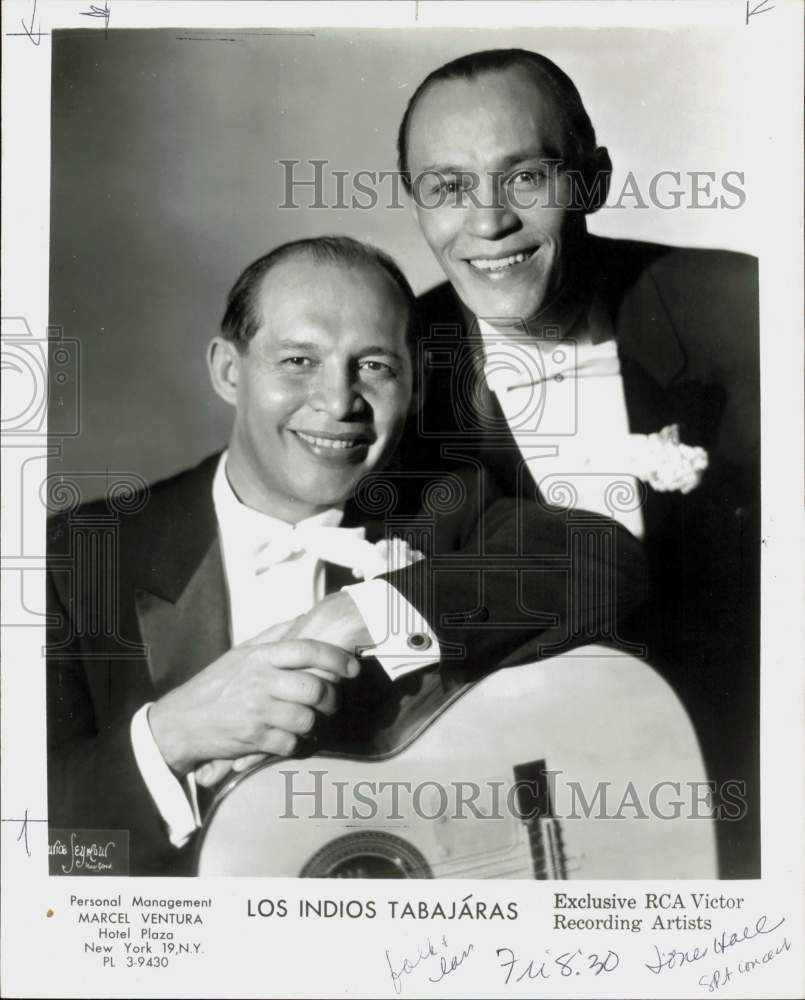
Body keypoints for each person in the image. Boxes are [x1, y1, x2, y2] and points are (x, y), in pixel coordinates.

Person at [46, 236, 648, 875]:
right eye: (300, 360)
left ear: (414, 389)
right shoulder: (75, 559)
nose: (338, 402)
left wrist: (367, 611)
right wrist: (172, 737)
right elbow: (29, 843)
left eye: (375, 367)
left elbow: (605, 561)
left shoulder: (448, 509)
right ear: (229, 370)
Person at [391, 48, 760, 877]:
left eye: (524, 178)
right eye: (447, 187)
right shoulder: (388, 375)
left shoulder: (746, 312)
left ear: (590, 180)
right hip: (520, 846)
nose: (486, 223)